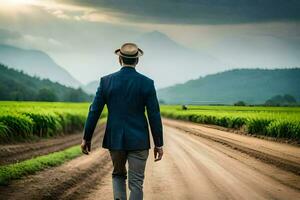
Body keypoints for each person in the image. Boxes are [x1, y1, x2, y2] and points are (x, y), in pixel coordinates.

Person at [81, 43, 164, 200]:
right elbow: (154, 114)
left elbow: (94, 111)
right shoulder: (147, 83)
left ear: (120, 59)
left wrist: (87, 137)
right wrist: (158, 143)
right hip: (139, 140)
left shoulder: (106, 81)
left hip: (116, 139)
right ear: (137, 61)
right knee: (137, 183)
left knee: (118, 175)